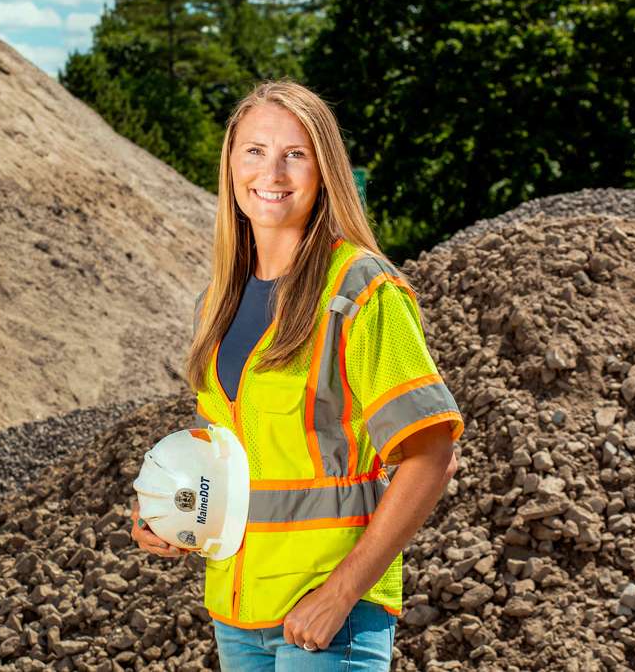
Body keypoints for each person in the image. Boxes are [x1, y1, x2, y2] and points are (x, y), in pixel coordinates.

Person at [130, 79, 463, 670]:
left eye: (295, 154)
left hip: (328, 615)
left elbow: (432, 456)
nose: (273, 172)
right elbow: (227, 454)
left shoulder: (360, 289)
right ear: (231, 164)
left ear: (324, 170)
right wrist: (164, 512)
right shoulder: (220, 302)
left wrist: (339, 595)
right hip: (239, 612)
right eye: (255, 151)